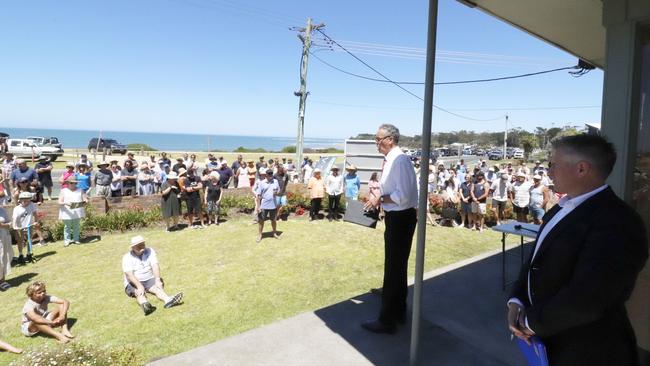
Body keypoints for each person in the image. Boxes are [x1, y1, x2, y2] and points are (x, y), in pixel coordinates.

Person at [507, 134, 648, 365]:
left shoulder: (618, 222)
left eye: (554, 164)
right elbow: (535, 261)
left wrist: (530, 322)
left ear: (581, 169)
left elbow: (588, 298)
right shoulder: (561, 208)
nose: (548, 171)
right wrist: (517, 300)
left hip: (589, 351)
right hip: (551, 344)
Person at [361, 123, 417, 334]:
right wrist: (378, 197)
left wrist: (380, 199)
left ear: (390, 139)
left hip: (401, 218)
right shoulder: (394, 160)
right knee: (397, 267)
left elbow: (402, 196)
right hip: (399, 217)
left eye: (378, 139)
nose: (376, 143)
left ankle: (387, 321)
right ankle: (398, 311)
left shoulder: (399, 161)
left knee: (393, 268)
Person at [122, 235, 183, 316]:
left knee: (157, 289)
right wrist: (139, 286)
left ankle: (168, 300)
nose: (142, 247)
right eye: (138, 246)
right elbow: (129, 275)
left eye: (143, 244)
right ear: (132, 247)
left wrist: (157, 280)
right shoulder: (126, 258)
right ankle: (146, 305)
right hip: (133, 281)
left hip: (148, 278)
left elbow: (155, 266)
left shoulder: (150, 251)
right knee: (139, 293)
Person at [12, 192, 44, 263]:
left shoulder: (31, 205)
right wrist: (15, 227)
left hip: (29, 225)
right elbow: (14, 219)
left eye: (28, 200)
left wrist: (36, 221)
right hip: (19, 227)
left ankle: (29, 253)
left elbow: (35, 214)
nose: (26, 202)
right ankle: (20, 254)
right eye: (24, 200)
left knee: (29, 240)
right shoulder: (17, 209)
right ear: (20, 200)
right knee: (20, 241)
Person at [58, 176, 88, 246]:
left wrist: (85, 201)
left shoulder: (80, 190)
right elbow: (59, 202)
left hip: (77, 211)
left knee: (76, 226)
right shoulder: (63, 190)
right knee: (67, 227)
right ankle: (67, 241)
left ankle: (76, 239)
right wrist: (66, 203)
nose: (73, 184)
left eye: (75, 183)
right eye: (71, 183)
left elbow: (85, 199)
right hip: (67, 212)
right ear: (68, 183)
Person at [255, 169, 281, 243]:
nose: (270, 176)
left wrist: (276, 192)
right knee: (261, 221)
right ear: (266, 175)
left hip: (273, 205)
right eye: (269, 175)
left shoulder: (275, 181)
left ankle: (274, 233)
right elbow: (258, 196)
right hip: (264, 205)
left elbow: (278, 190)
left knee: (273, 220)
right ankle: (260, 235)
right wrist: (258, 207)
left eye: (271, 175)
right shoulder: (262, 183)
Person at [0, 205, 14, 291]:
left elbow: (10, 224)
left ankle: (2, 280)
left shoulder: (2, 210)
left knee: (2, 258)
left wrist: (3, 225)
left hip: (3, 237)